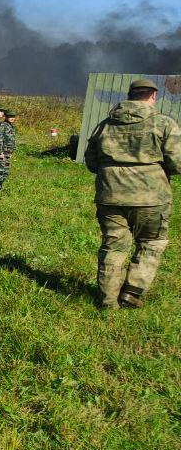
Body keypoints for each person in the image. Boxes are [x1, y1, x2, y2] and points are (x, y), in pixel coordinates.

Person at [83, 78, 180, 309]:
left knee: (113, 245)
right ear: (153, 96)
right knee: (152, 242)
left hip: (110, 195)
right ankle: (132, 292)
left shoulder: (105, 124)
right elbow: (178, 163)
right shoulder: (164, 123)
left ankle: (107, 300)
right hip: (150, 197)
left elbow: (91, 161)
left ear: (129, 95)